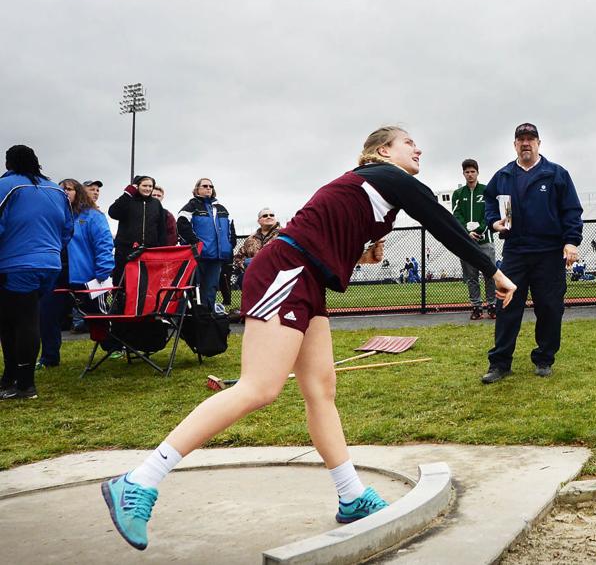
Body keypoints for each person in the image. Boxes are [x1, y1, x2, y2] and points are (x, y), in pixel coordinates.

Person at [100, 125, 515, 550]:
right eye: (409, 143)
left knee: (321, 389)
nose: (419, 148)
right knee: (259, 388)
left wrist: (363, 248)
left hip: (307, 280)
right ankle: (139, 481)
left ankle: (351, 496)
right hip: (286, 270)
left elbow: (339, 236)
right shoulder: (385, 176)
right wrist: (493, 271)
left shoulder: (377, 194)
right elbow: (441, 220)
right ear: (382, 151)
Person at [481, 123, 582, 383]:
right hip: (515, 250)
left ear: (539, 143)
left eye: (531, 139)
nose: (526, 143)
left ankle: (544, 358)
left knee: (550, 307)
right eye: (521, 139)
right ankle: (500, 362)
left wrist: (571, 242)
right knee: (507, 306)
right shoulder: (503, 175)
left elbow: (571, 210)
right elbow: (488, 201)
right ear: (514, 144)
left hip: (549, 251)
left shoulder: (556, 174)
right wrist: (494, 222)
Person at [0, 145, 72, 400]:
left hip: (15, 264)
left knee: (15, 323)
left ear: (9, 163)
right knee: (25, 318)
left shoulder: (8, 186)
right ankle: (12, 380)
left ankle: (22, 384)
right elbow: (67, 230)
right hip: (50, 264)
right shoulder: (56, 190)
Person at [41, 179, 114, 365]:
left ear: (78, 192)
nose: (64, 192)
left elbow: (104, 243)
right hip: (56, 274)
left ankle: (113, 348)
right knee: (47, 316)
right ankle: (49, 358)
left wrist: (103, 270)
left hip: (85, 275)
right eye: (61, 189)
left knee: (97, 317)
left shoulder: (92, 216)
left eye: (69, 189)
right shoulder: (55, 216)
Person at [177, 179, 235, 312]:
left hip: (217, 256)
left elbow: (231, 228)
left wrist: (230, 245)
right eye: (205, 186)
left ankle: (208, 315)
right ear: (197, 189)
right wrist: (196, 244)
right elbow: (182, 225)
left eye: (211, 186)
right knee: (193, 287)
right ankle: (191, 315)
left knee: (211, 287)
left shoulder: (221, 208)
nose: (208, 188)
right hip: (198, 255)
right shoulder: (191, 207)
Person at [451, 159, 497, 320]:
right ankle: (476, 307)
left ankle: (492, 305)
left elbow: (490, 213)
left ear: (477, 172)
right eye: (467, 172)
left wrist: (479, 230)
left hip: (485, 241)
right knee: (471, 276)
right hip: (466, 242)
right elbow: (456, 216)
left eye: (472, 171)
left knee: (490, 274)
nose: (470, 174)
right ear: (463, 173)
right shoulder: (458, 194)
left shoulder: (486, 191)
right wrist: (467, 232)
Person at [107, 176, 166, 283]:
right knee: (123, 282)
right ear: (137, 186)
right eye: (144, 186)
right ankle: (120, 299)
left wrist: (161, 250)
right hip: (126, 251)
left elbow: (161, 228)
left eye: (150, 186)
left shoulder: (156, 204)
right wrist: (127, 194)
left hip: (149, 252)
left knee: (147, 284)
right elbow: (113, 213)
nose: (148, 189)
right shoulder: (128, 200)